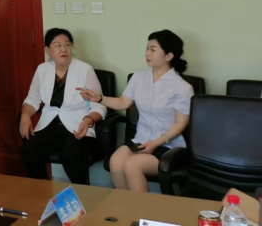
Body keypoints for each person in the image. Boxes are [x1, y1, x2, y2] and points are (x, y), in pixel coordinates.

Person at [79, 29, 193, 192]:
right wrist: (99, 98)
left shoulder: (182, 87)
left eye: (153, 49)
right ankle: (126, 205)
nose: (147, 53)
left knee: (133, 165)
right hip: (141, 141)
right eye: (147, 48)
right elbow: (123, 102)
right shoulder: (139, 77)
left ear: (168, 56)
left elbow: (181, 123)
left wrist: (157, 142)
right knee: (116, 161)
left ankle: (142, 208)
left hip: (168, 146)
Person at [19, 29, 106, 185]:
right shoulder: (42, 69)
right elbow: (32, 99)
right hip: (50, 123)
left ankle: (81, 192)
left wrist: (88, 120)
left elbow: (99, 106)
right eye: (57, 45)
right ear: (48, 50)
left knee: (72, 153)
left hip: (78, 125)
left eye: (67, 44)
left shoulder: (84, 70)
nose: (63, 49)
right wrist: (25, 115)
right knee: (30, 149)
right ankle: (40, 187)